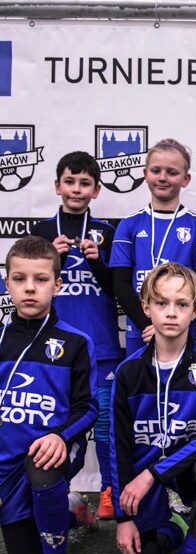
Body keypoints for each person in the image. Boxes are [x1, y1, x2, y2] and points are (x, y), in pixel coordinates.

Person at [110, 262, 196, 554]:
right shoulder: (128, 372)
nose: (171, 312)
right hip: (142, 475)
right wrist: (122, 518)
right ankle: (175, 524)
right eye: (162, 303)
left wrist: (153, 474)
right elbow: (118, 448)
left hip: (184, 471)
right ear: (146, 307)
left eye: (182, 304)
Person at [0, 236, 98, 554]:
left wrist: (59, 435)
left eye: (40, 279)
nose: (30, 288)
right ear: (7, 284)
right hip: (8, 456)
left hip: (56, 447)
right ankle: (70, 508)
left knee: (41, 465)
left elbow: (88, 408)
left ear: (57, 285)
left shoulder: (75, 341)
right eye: (20, 279)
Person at [31, 151, 121, 521]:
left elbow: (118, 289)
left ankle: (109, 491)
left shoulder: (108, 232)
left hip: (102, 348)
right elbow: (33, 285)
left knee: (106, 427)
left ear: (96, 190)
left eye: (85, 183)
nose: (76, 189)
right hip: (55, 351)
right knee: (61, 429)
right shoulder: (41, 232)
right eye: (70, 181)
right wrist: (54, 259)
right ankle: (62, 493)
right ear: (58, 186)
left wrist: (97, 262)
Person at [110, 138, 196, 356]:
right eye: (156, 171)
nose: (163, 178)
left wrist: (173, 322)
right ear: (145, 174)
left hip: (186, 330)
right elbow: (120, 284)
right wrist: (149, 325)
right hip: (142, 330)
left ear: (186, 179)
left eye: (172, 172)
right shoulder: (129, 224)